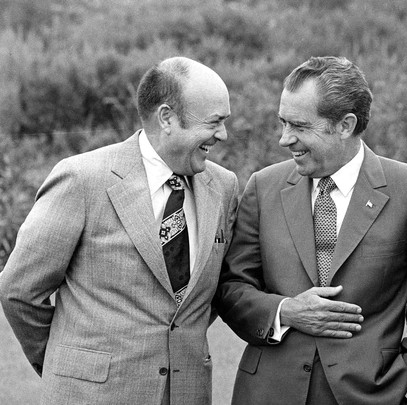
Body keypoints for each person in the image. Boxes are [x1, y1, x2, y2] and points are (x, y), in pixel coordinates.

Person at [214, 56, 407, 405]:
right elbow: (232, 289)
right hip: (267, 394)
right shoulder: (262, 187)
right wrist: (285, 311)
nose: (284, 139)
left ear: (345, 125)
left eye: (299, 126)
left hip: (371, 395)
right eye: (282, 122)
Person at [0, 56, 238, 405]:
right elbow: (20, 290)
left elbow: (201, 301)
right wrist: (66, 365)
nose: (223, 135)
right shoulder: (82, 179)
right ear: (167, 118)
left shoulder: (224, 186)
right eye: (214, 122)